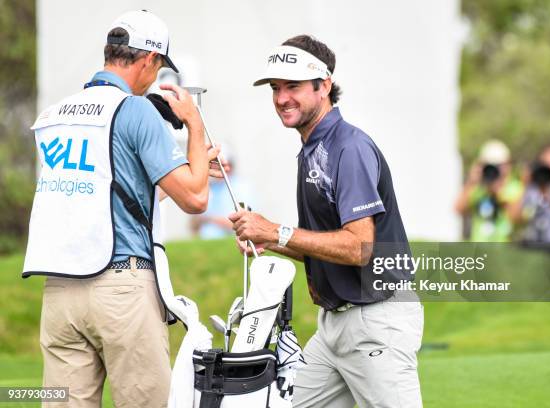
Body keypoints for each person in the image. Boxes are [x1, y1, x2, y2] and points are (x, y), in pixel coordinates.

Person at [22, 10, 222, 407]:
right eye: (160, 67)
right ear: (149, 60)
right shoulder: (137, 110)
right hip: (121, 290)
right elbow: (196, 198)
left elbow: (108, 195)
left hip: (60, 292)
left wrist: (188, 172)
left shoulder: (55, 116)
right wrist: (194, 125)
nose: (158, 77)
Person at [229, 35, 424, 408]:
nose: (281, 98)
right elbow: (327, 247)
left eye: (293, 86)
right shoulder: (313, 148)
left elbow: (359, 247)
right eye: (275, 88)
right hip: (335, 327)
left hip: (376, 320)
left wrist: (275, 230)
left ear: (324, 86)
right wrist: (271, 242)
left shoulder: (348, 148)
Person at [454, 139, 523, 241]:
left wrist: (498, 193)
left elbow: (516, 219)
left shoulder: (514, 187)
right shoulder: (477, 188)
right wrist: (471, 182)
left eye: (499, 165)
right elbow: (458, 209)